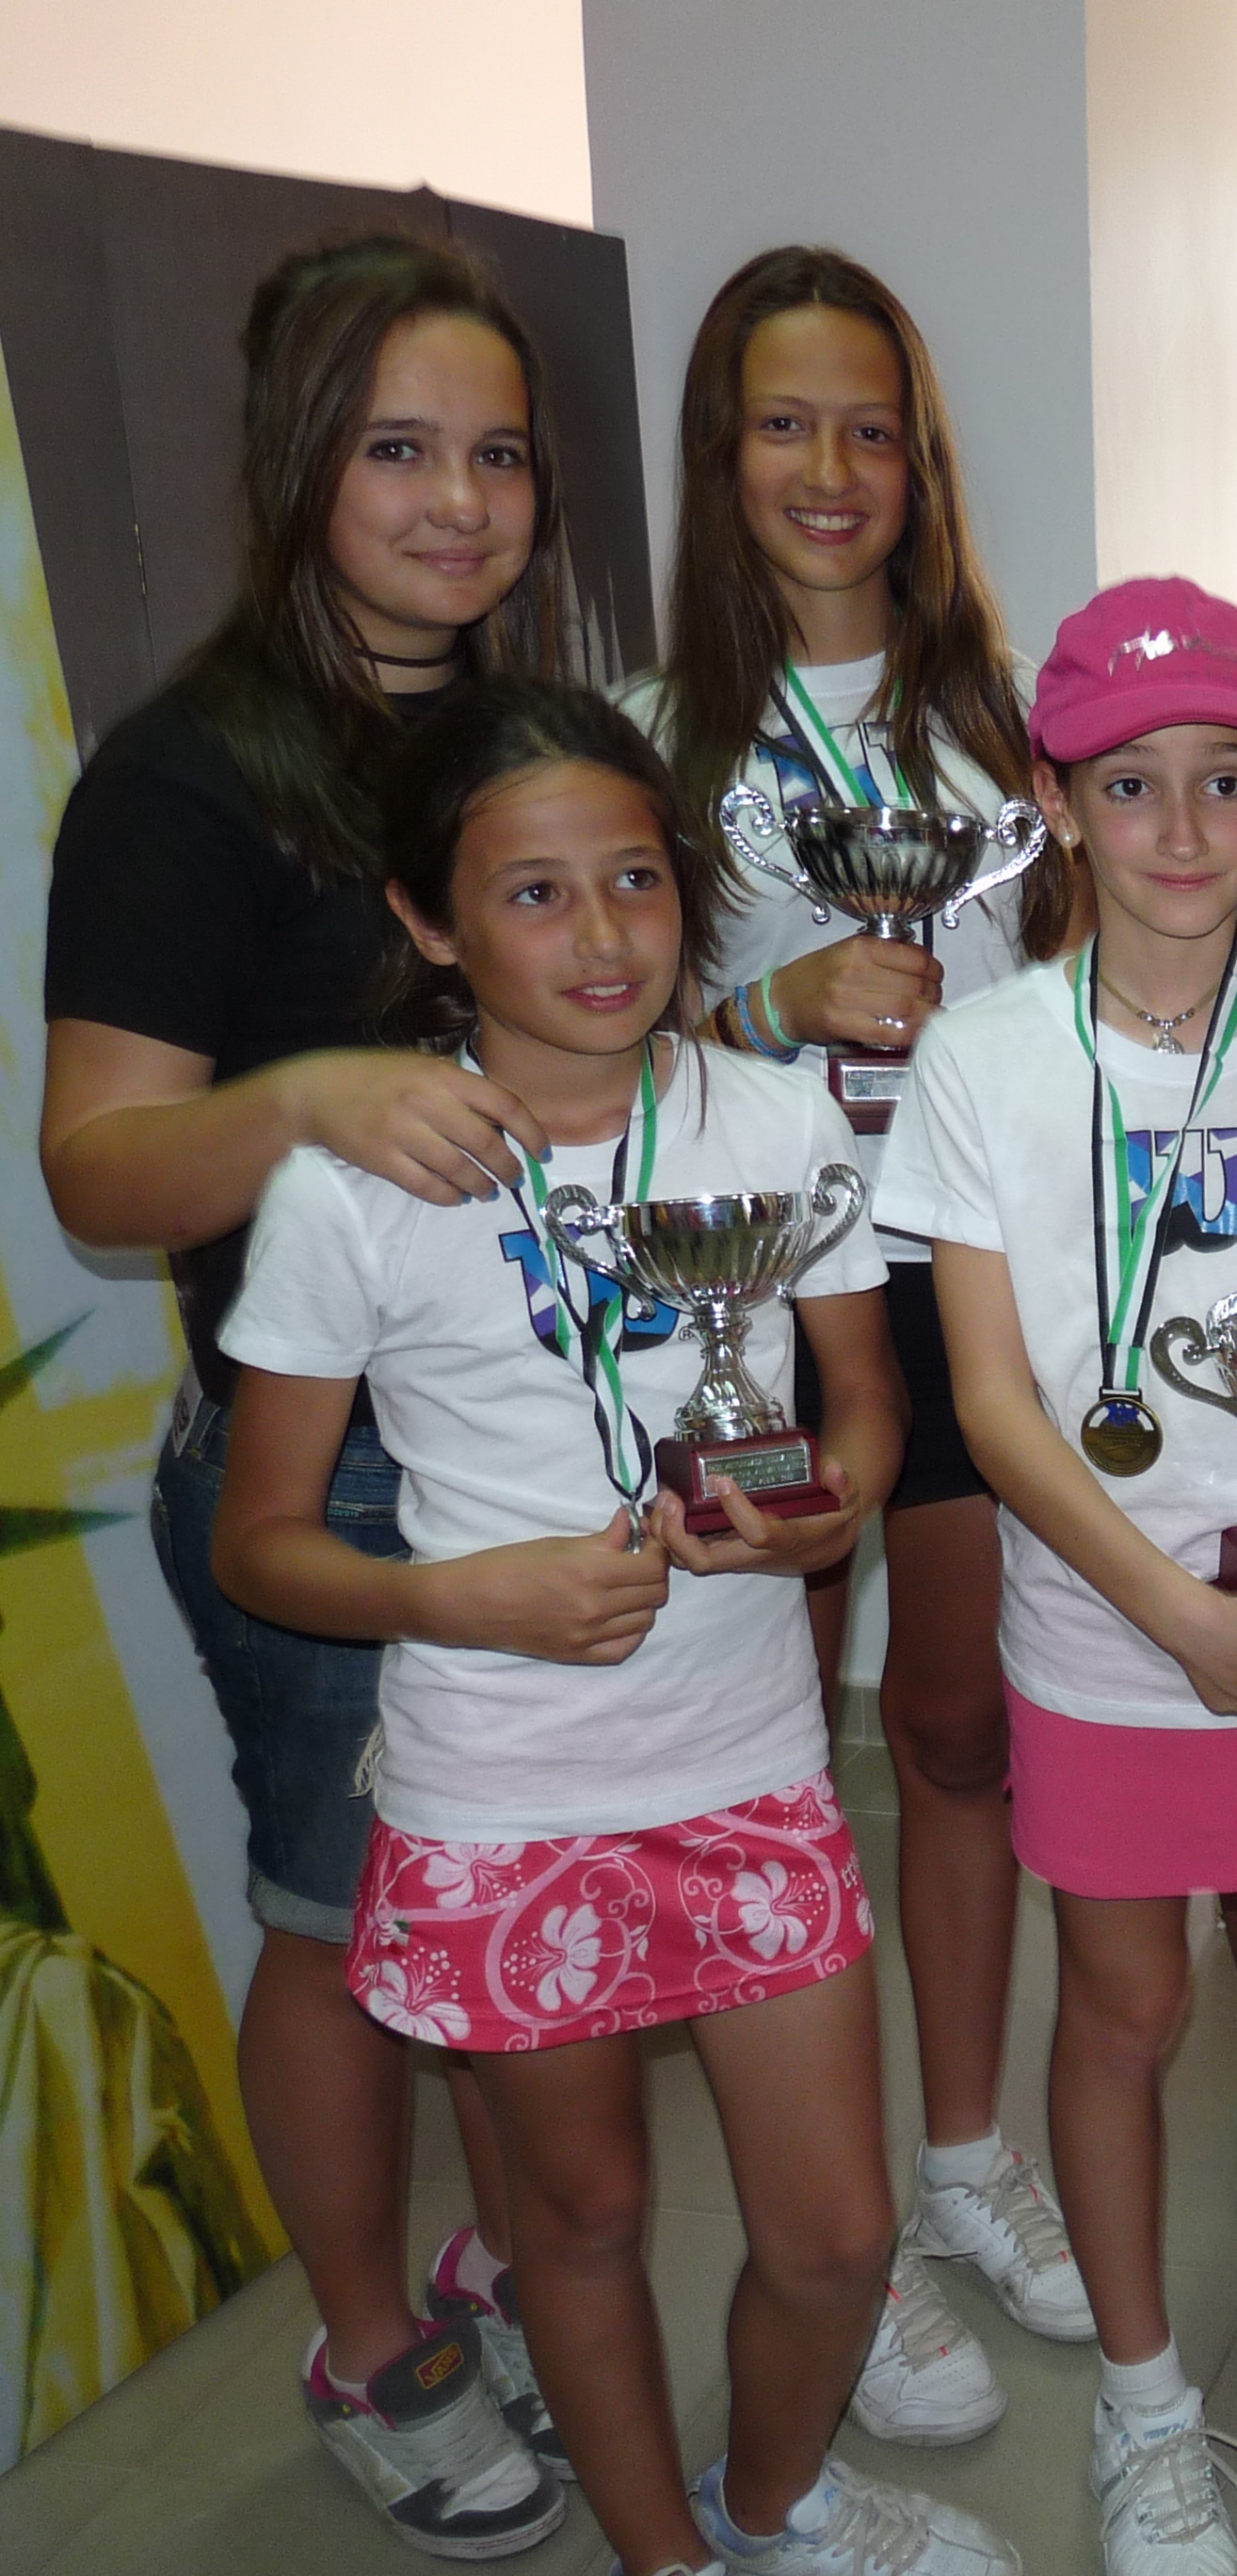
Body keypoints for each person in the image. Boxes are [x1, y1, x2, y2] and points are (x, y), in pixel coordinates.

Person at [212, 677, 1013, 2576]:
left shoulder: (775, 1112)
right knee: (578, 2222)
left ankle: (768, 2502)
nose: (602, 936)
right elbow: (258, 1545)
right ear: (429, 921)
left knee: (836, 2234)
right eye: (535, 893)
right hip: (504, 1793)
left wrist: (827, 1504)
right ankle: (662, 2557)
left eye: (636, 880)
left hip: (748, 1767)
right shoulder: (356, 1182)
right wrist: (450, 1595)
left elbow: (865, 1401)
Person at [39, 233, 572, 2552]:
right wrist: (314, 1098)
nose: (459, 503)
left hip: (538, 1426)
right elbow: (99, 1167)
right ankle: (371, 2342)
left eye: (498, 456)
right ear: (296, 464)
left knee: (533, 1892)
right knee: (346, 1922)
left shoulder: (521, 743)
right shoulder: (186, 778)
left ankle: (508, 2267)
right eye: (398, 451)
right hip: (319, 1471)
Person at [878, 576, 1237, 2576]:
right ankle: (1144, 2412)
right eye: (1130, 785)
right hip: (1107, 1621)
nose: (1181, 828)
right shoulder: (981, 1057)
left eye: (1222, 779)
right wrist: (1172, 1614)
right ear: (1057, 803)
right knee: (1118, 2009)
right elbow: (992, 1402)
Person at [626, 242, 1089, 2441]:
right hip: (760, 1285)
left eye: (873, 429)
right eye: (785, 424)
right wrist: (759, 1004)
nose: (832, 469)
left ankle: (970, 2160)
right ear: (721, 451)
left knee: (961, 1731)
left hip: (970, 1265)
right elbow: (575, 1040)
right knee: (773, 1757)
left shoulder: (1007, 718)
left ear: (922, 463)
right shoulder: (650, 735)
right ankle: (845, 2242)